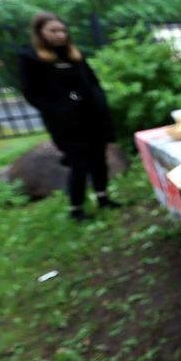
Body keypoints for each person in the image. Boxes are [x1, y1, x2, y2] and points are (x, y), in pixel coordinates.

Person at [18, 12, 118, 222]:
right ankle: (77, 209)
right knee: (79, 162)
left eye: (62, 30)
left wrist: (100, 104)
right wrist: (59, 111)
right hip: (64, 122)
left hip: (90, 115)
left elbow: (92, 83)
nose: (60, 35)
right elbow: (32, 93)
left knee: (99, 158)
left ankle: (103, 197)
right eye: (53, 30)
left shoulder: (73, 55)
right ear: (40, 33)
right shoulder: (31, 58)